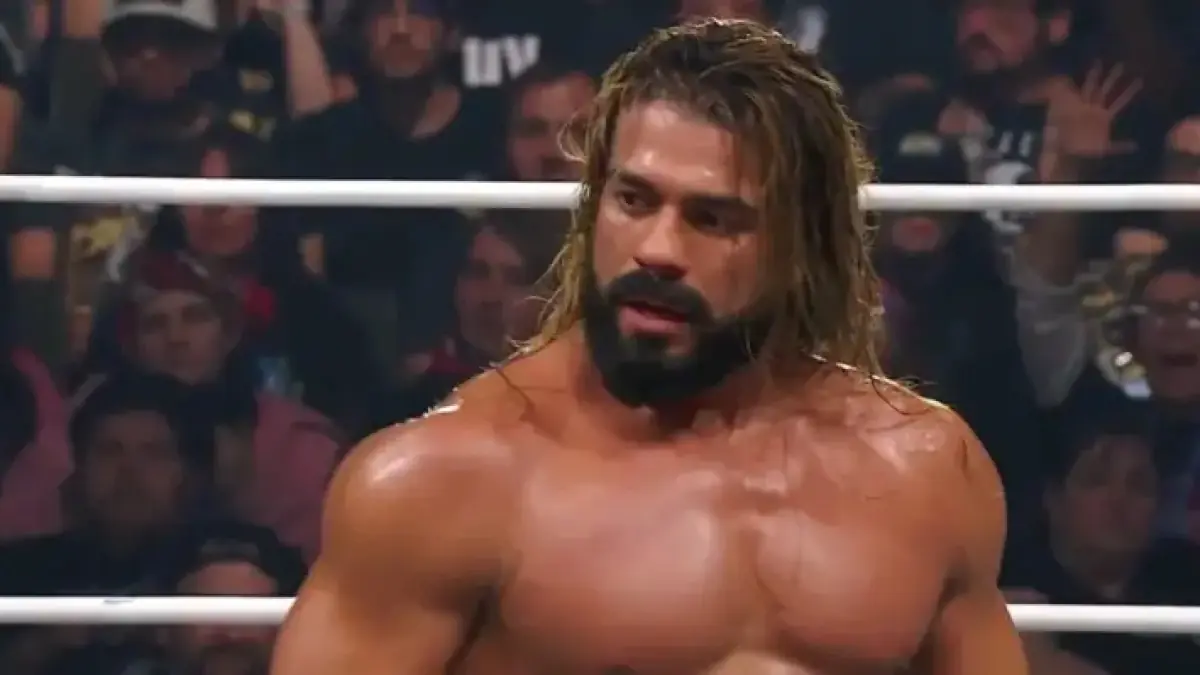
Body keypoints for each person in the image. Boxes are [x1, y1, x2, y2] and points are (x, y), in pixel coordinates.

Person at [270, 19, 1027, 675]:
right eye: (633, 200)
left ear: (803, 241)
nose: (657, 250)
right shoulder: (444, 482)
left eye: (713, 218)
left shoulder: (926, 469)